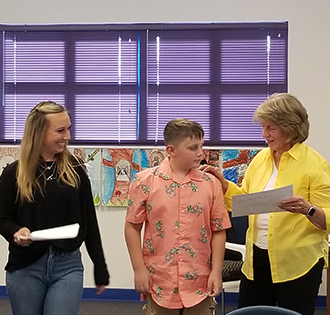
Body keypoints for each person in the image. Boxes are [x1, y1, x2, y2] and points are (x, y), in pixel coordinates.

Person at [201, 93, 330, 315]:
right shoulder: (260, 159)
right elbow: (245, 201)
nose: (264, 134)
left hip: (297, 263)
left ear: (289, 126)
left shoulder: (315, 165)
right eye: (263, 127)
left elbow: (327, 219)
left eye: (270, 128)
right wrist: (223, 185)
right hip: (256, 260)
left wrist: (308, 209)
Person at [0, 101, 110, 315]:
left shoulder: (76, 172)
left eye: (68, 129)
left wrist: (100, 266)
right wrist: (15, 231)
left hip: (67, 267)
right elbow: (2, 217)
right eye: (60, 130)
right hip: (25, 267)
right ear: (39, 133)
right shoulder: (13, 174)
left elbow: (89, 222)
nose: (67, 136)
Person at [124, 118, 231, 315]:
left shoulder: (211, 184)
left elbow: (218, 230)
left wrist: (216, 271)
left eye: (201, 146)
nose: (200, 153)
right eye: (192, 148)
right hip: (160, 278)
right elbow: (132, 227)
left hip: (200, 279)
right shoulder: (144, 181)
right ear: (171, 150)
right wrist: (139, 269)